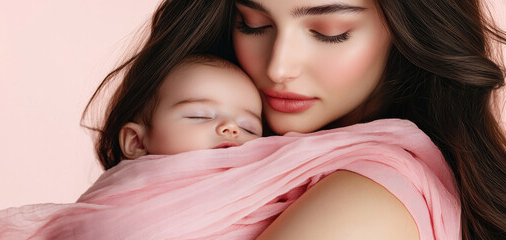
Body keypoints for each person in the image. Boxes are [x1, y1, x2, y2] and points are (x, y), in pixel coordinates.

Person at [80, 0, 506, 239]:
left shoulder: (364, 203)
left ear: (407, 29)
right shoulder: (251, 164)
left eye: (329, 31)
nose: (279, 67)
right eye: (253, 24)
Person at [116, 54, 263, 160]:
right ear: (136, 142)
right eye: (200, 116)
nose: (231, 127)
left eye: (248, 128)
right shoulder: (120, 199)